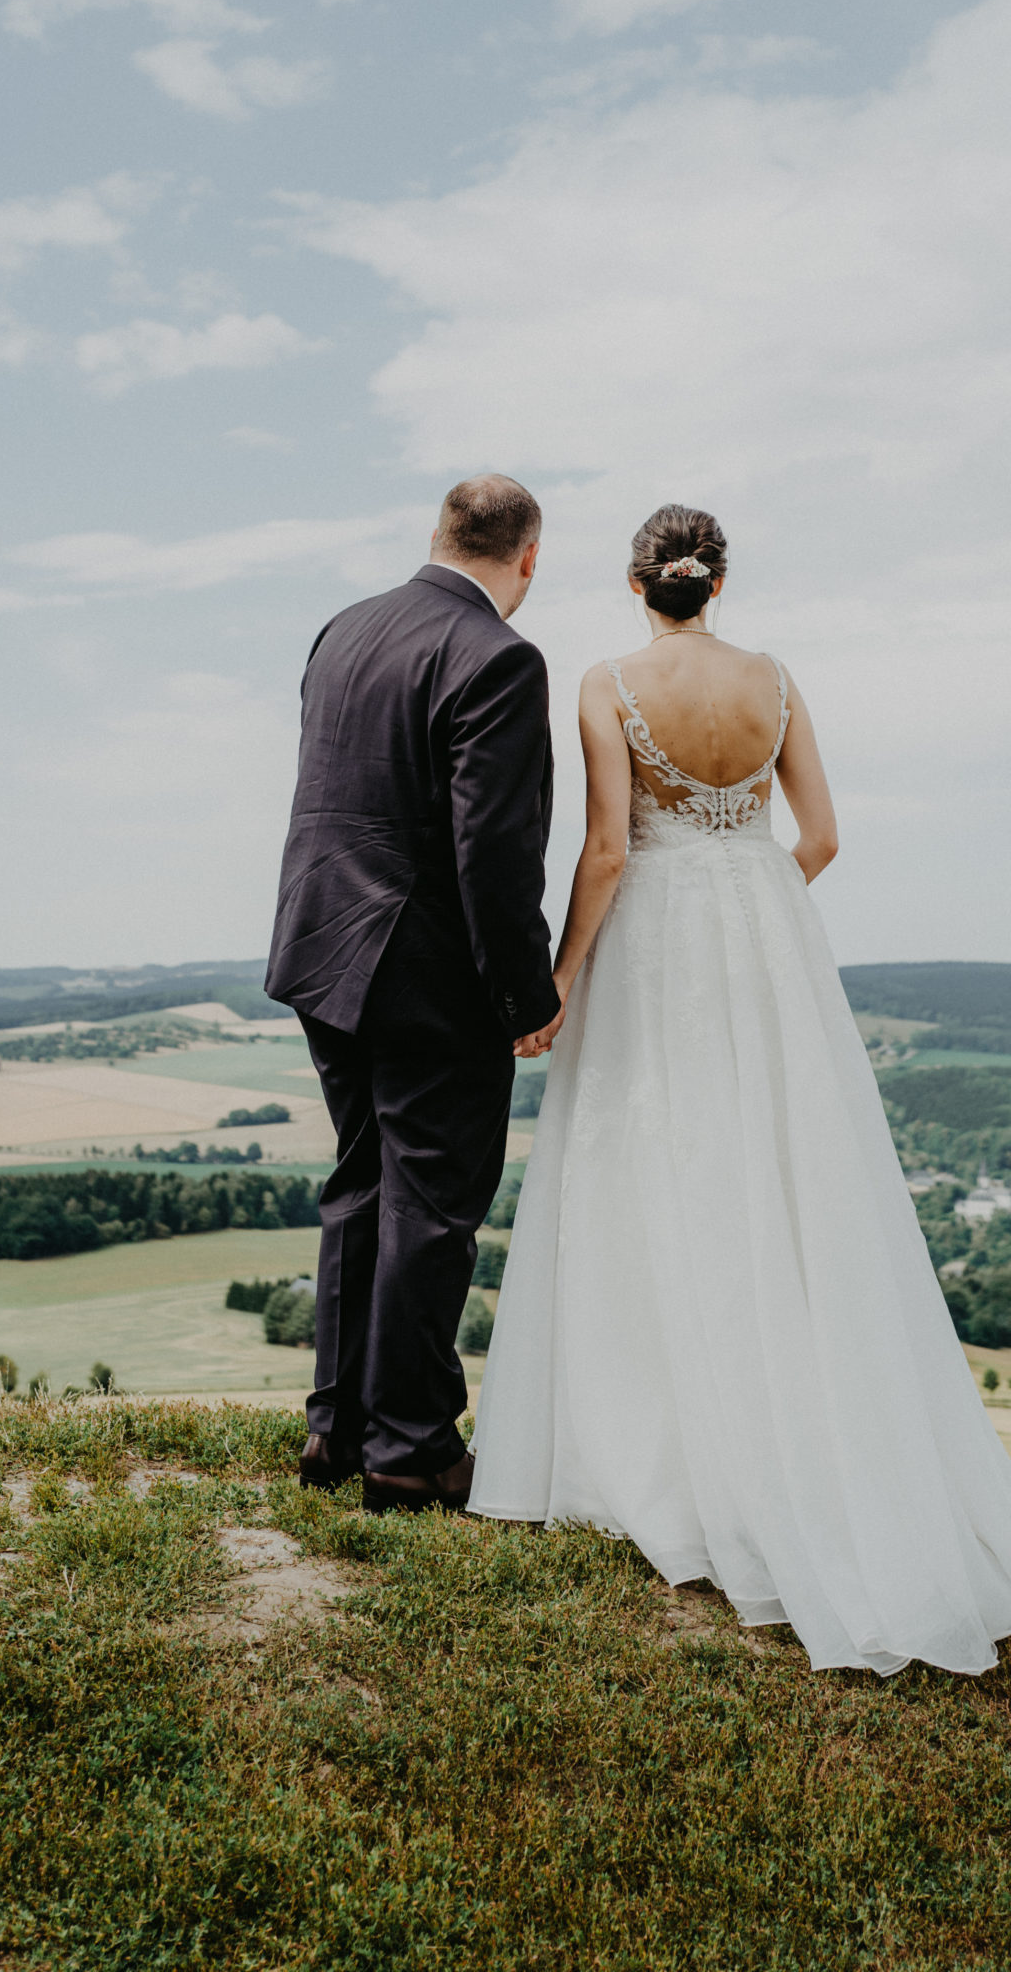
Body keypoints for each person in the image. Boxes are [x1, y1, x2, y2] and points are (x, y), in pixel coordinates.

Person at [470, 503, 1011, 1674]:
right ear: (717, 580)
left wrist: (558, 979)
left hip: (650, 941)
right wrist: (749, 903)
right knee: (785, 1171)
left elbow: (604, 850)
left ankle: (666, 1448)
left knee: (651, 1163)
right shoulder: (775, 679)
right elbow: (825, 835)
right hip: (763, 935)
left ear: (637, 583)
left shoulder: (603, 680)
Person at [264, 473, 560, 1512]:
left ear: (437, 533)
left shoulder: (341, 631)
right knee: (431, 1209)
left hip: (320, 947)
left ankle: (333, 1430)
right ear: (528, 557)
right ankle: (409, 1450)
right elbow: (495, 849)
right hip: (427, 968)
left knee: (361, 1187)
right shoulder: (499, 657)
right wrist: (525, 992)